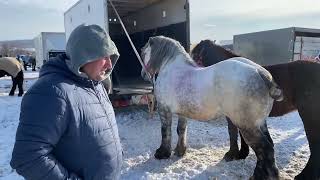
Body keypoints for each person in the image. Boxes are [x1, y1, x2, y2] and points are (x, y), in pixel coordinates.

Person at [10, 24, 122, 180]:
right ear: (83, 55)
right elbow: (28, 157)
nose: (110, 64)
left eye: (111, 57)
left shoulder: (95, 84)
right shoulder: (51, 91)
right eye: (104, 56)